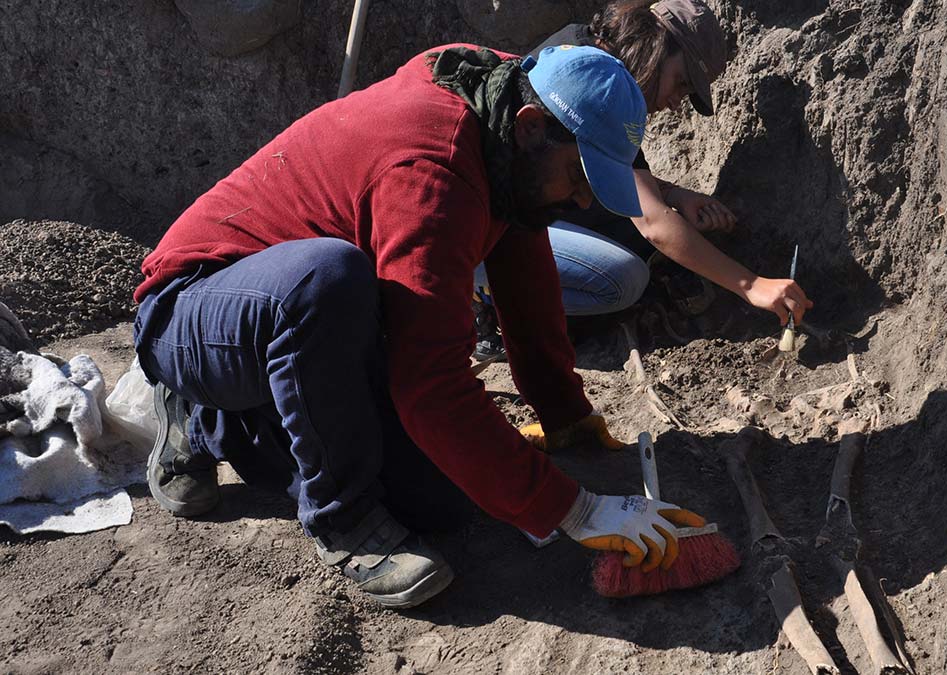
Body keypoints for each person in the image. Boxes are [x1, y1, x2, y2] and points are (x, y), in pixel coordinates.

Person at [133, 43, 706, 609]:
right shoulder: (432, 174)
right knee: (326, 278)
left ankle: (251, 422)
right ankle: (325, 506)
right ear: (532, 128)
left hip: (314, 331)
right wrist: (574, 510)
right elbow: (431, 385)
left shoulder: (508, 107)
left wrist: (564, 413)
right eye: (580, 175)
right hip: (195, 307)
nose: (583, 201)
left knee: (443, 500)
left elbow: (524, 264)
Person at [472, 0, 813, 358]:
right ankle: (491, 307)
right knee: (623, 279)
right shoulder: (594, 83)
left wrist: (674, 194)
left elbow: (615, 177)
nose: (676, 102)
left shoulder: (594, 58)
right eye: (681, 83)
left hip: (498, 209)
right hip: (480, 229)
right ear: (656, 47)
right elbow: (653, 223)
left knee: (625, 224)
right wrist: (752, 285)